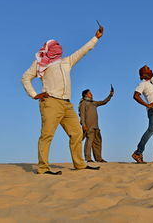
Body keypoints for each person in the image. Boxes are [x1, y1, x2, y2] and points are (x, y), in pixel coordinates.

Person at [21, 25, 104, 175]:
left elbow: (83, 51)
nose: (58, 48)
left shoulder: (66, 62)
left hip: (67, 104)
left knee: (77, 133)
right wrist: (34, 94)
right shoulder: (40, 64)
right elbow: (25, 78)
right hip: (51, 102)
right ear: (47, 49)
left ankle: (79, 164)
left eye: (59, 46)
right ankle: (43, 168)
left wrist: (96, 38)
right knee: (47, 135)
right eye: (54, 46)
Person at [79, 86, 114, 163]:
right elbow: (82, 114)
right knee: (89, 141)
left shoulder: (94, 103)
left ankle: (98, 158)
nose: (91, 94)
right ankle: (88, 158)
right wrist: (83, 125)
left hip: (96, 126)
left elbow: (103, 102)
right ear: (85, 95)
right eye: (89, 93)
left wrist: (110, 95)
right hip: (88, 126)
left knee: (98, 142)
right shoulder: (83, 103)